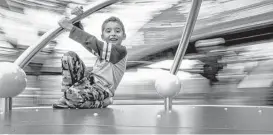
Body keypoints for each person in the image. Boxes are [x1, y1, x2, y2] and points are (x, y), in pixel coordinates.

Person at [53, 7, 127, 109]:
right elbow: (89, 43)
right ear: (102, 36)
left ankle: (103, 102)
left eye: (117, 31)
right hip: (88, 81)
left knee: (72, 96)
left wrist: (71, 28)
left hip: (103, 89)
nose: (113, 33)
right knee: (69, 56)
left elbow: (93, 43)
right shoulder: (102, 51)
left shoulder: (120, 51)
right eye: (108, 31)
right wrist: (77, 20)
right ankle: (66, 97)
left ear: (124, 36)